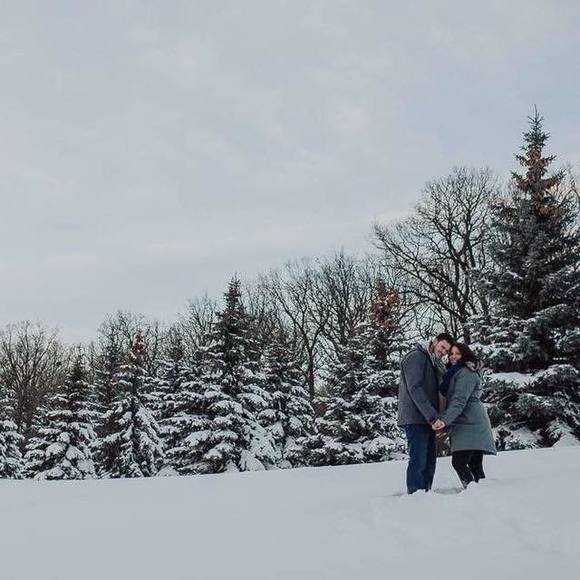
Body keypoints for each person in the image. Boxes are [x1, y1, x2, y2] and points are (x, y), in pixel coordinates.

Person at [433, 343, 497, 488]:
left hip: (470, 422)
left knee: (459, 462)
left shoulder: (466, 373)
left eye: (458, 353)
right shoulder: (455, 372)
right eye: (451, 353)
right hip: (466, 420)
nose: (453, 356)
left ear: (465, 355)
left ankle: (472, 491)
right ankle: (483, 492)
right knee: (475, 464)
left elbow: (459, 400)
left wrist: (444, 421)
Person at [398, 333, 454, 494]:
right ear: (435, 341)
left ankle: (426, 494)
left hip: (429, 419)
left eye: (446, 350)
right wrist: (432, 417)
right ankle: (416, 495)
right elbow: (415, 388)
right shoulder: (416, 357)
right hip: (416, 417)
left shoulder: (433, 362)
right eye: (442, 347)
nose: (443, 352)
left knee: (430, 461)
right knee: (419, 459)